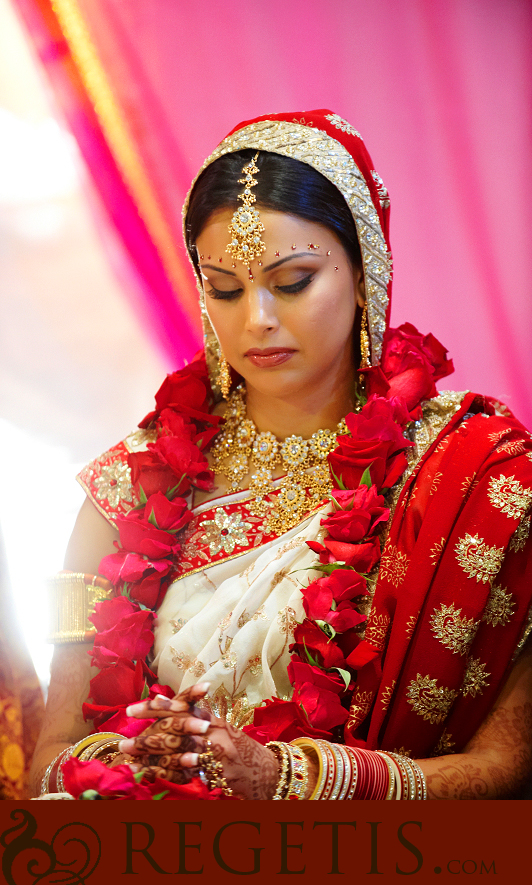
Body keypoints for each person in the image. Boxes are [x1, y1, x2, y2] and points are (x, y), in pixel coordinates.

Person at [30, 110, 532, 801]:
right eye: (225, 290)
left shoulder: (480, 477)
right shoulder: (118, 495)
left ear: (365, 274)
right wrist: (136, 761)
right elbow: (48, 763)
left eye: (292, 282)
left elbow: (513, 767)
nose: (256, 319)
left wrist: (287, 780)